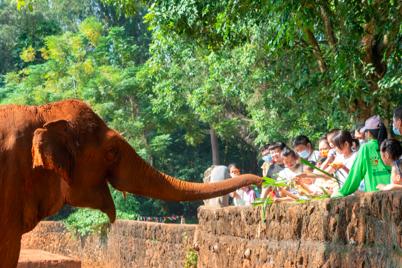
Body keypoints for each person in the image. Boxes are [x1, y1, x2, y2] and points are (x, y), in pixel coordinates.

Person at [332, 115, 391, 197]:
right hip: (395, 192)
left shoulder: (366, 148)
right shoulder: (392, 144)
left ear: (369, 133)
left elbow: (355, 174)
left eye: (365, 132)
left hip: (376, 196)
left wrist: (342, 192)